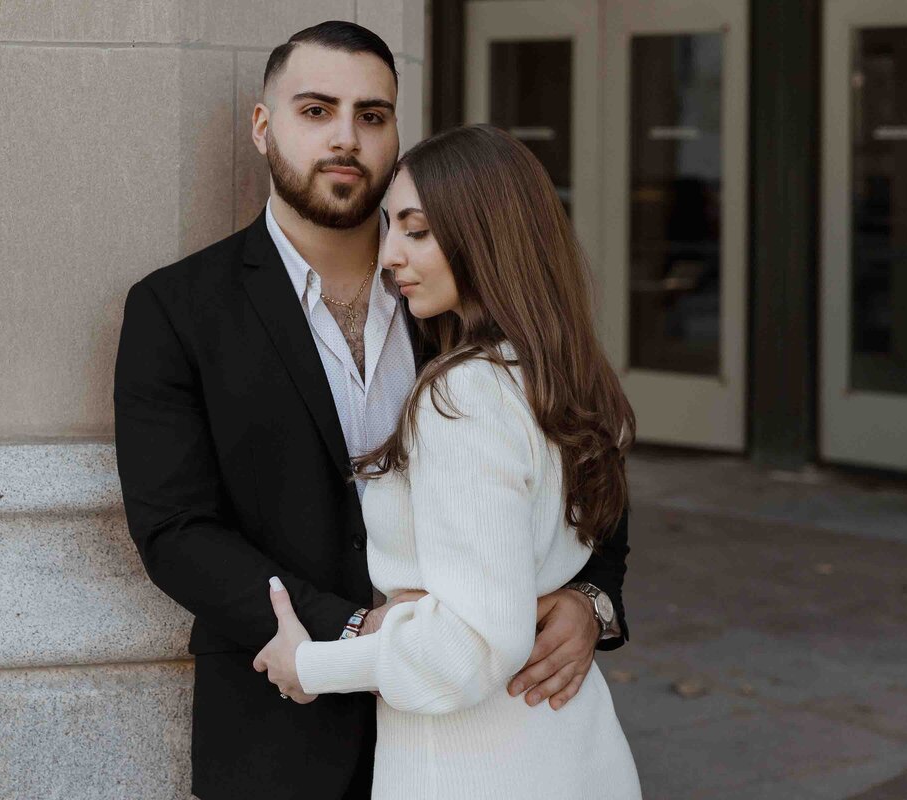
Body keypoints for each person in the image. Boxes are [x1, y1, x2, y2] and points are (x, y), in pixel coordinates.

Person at [113, 22, 632, 800]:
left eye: (372, 115)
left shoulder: (460, 300)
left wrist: (594, 600)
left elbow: (585, 456)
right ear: (264, 127)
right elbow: (175, 530)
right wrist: (356, 631)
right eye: (316, 111)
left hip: (478, 733)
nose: (345, 138)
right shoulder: (177, 309)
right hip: (282, 723)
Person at [253, 124, 642, 798]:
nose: (388, 256)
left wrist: (312, 665)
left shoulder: (463, 394)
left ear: (485, 237)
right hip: (569, 742)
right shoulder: (557, 376)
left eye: (418, 231)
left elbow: (473, 644)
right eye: (390, 229)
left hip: (480, 764)